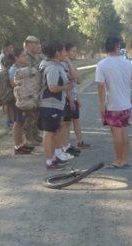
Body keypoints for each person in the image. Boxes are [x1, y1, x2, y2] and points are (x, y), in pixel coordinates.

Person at [96, 36, 132, 169]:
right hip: (126, 104)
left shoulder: (102, 65)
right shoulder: (128, 63)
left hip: (112, 104)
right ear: (117, 47)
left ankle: (119, 160)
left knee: (116, 133)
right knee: (124, 131)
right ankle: (124, 158)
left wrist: (102, 104)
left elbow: (100, 86)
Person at [39, 40, 74, 170]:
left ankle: (54, 157)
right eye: (63, 50)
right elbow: (52, 87)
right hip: (50, 104)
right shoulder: (52, 67)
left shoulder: (54, 64)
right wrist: (66, 87)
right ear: (56, 53)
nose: (65, 53)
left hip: (55, 104)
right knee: (49, 133)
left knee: (55, 130)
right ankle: (50, 161)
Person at [63, 43, 90, 150]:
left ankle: (79, 141)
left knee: (76, 119)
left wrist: (76, 98)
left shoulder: (70, 64)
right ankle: (66, 146)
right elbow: (71, 81)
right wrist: (70, 100)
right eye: (73, 51)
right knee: (66, 123)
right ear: (66, 52)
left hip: (73, 97)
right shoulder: (64, 65)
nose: (75, 53)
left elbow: (79, 80)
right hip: (67, 98)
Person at [8, 48, 33, 155]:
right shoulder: (13, 70)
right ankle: (17, 147)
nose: (25, 57)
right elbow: (13, 84)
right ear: (16, 58)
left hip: (22, 99)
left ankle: (21, 144)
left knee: (21, 122)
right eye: (23, 55)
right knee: (17, 122)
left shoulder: (21, 68)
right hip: (16, 100)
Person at [23, 35, 44, 146]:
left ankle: (34, 134)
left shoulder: (36, 56)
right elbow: (29, 72)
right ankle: (28, 137)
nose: (37, 45)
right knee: (30, 114)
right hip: (28, 90)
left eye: (37, 43)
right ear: (27, 44)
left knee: (36, 114)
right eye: (35, 43)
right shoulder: (25, 57)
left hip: (36, 88)